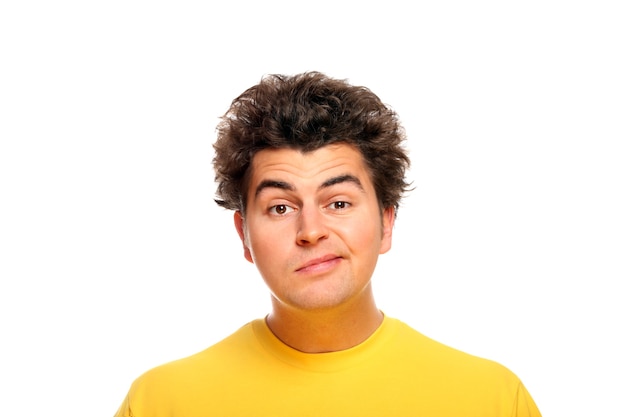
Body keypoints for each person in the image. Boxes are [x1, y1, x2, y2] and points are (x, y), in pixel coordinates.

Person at [114, 71, 542, 416]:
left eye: (338, 202)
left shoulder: (491, 400)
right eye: (280, 208)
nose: (311, 230)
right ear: (244, 236)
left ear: (386, 222)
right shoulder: (161, 402)